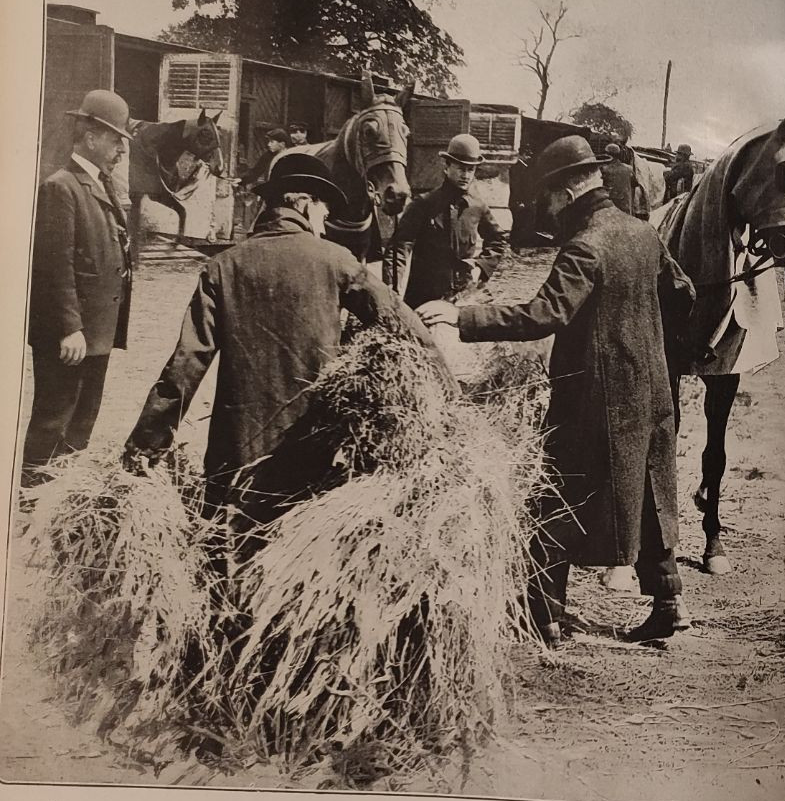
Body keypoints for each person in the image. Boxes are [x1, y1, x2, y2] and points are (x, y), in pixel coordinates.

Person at [416, 136, 696, 646]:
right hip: (652, 395)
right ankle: (669, 604)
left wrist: (463, 317)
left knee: (555, 497)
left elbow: (544, 314)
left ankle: (544, 616)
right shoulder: (642, 233)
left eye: (546, 197)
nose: (542, 208)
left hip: (593, 401)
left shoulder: (586, 245)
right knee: (656, 492)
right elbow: (683, 294)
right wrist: (650, 347)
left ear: (566, 194)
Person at [124, 154, 439, 534]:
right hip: (310, 451)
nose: (324, 225)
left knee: (225, 558)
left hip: (235, 454)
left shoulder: (223, 266)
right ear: (304, 204)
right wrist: (449, 396)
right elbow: (405, 328)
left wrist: (144, 447)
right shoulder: (337, 261)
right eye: (324, 211)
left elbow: (187, 364)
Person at [23, 90, 134, 489]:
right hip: (72, 333)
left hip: (96, 330)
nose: (121, 148)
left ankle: (62, 496)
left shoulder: (99, 184)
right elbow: (55, 266)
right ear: (90, 136)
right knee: (54, 417)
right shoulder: (61, 186)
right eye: (115, 138)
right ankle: (33, 495)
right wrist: (70, 327)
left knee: (83, 419)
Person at [385, 133, 509, 308]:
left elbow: (498, 240)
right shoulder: (424, 204)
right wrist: (392, 288)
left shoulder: (477, 206)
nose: (465, 175)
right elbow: (399, 247)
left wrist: (480, 266)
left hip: (463, 296)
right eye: (460, 168)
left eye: (470, 170)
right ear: (446, 166)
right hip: (424, 297)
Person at [600, 142, 645, 219]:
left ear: (608, 154)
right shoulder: (629, 169)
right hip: (625, 208)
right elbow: (634, 185)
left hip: (610, 209)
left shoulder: (604, 170)